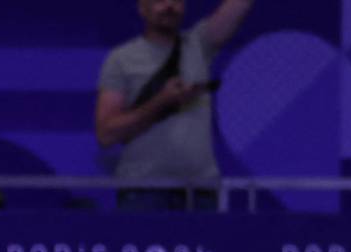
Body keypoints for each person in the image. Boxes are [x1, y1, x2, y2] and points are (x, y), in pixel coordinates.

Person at [95, 0, 254, 210]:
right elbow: (107, 134)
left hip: (200, 193)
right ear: (143, 8)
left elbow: (236, 9)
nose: (169, 6)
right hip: (143, 192)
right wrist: (161, 102)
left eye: (177, 1)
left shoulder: (199, 45)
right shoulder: (121, 59)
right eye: (160, 1)